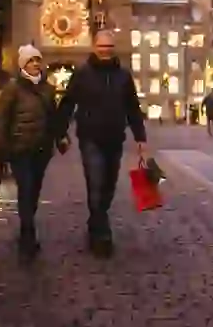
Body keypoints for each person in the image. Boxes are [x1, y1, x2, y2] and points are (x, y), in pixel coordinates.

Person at [57, 30, 147, 258]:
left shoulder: (123, 76)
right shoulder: (82, 74)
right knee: (95, 183)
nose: (105, 51)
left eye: (109, 47)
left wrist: (140, 137)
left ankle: (96, 220)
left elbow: (133, 108)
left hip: (115, 139)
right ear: (94, 47)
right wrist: (61, 132)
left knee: (108, 185)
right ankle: (101, 234)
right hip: (90, 138)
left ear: (113, 48)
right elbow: (68, 103)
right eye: (101, 46)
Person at [0, 45, 62, 263]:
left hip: (42, 149)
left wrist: (61, 137)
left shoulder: (48, 89)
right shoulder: (13, 89)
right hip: (19, 149)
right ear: (23, 65)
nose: (35, 64)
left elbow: (54, 117)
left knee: (34, 191)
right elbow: (1, 120)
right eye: (31, 61)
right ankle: (28, 235)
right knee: (26, 188)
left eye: (38, 60)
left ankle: (26, 228)